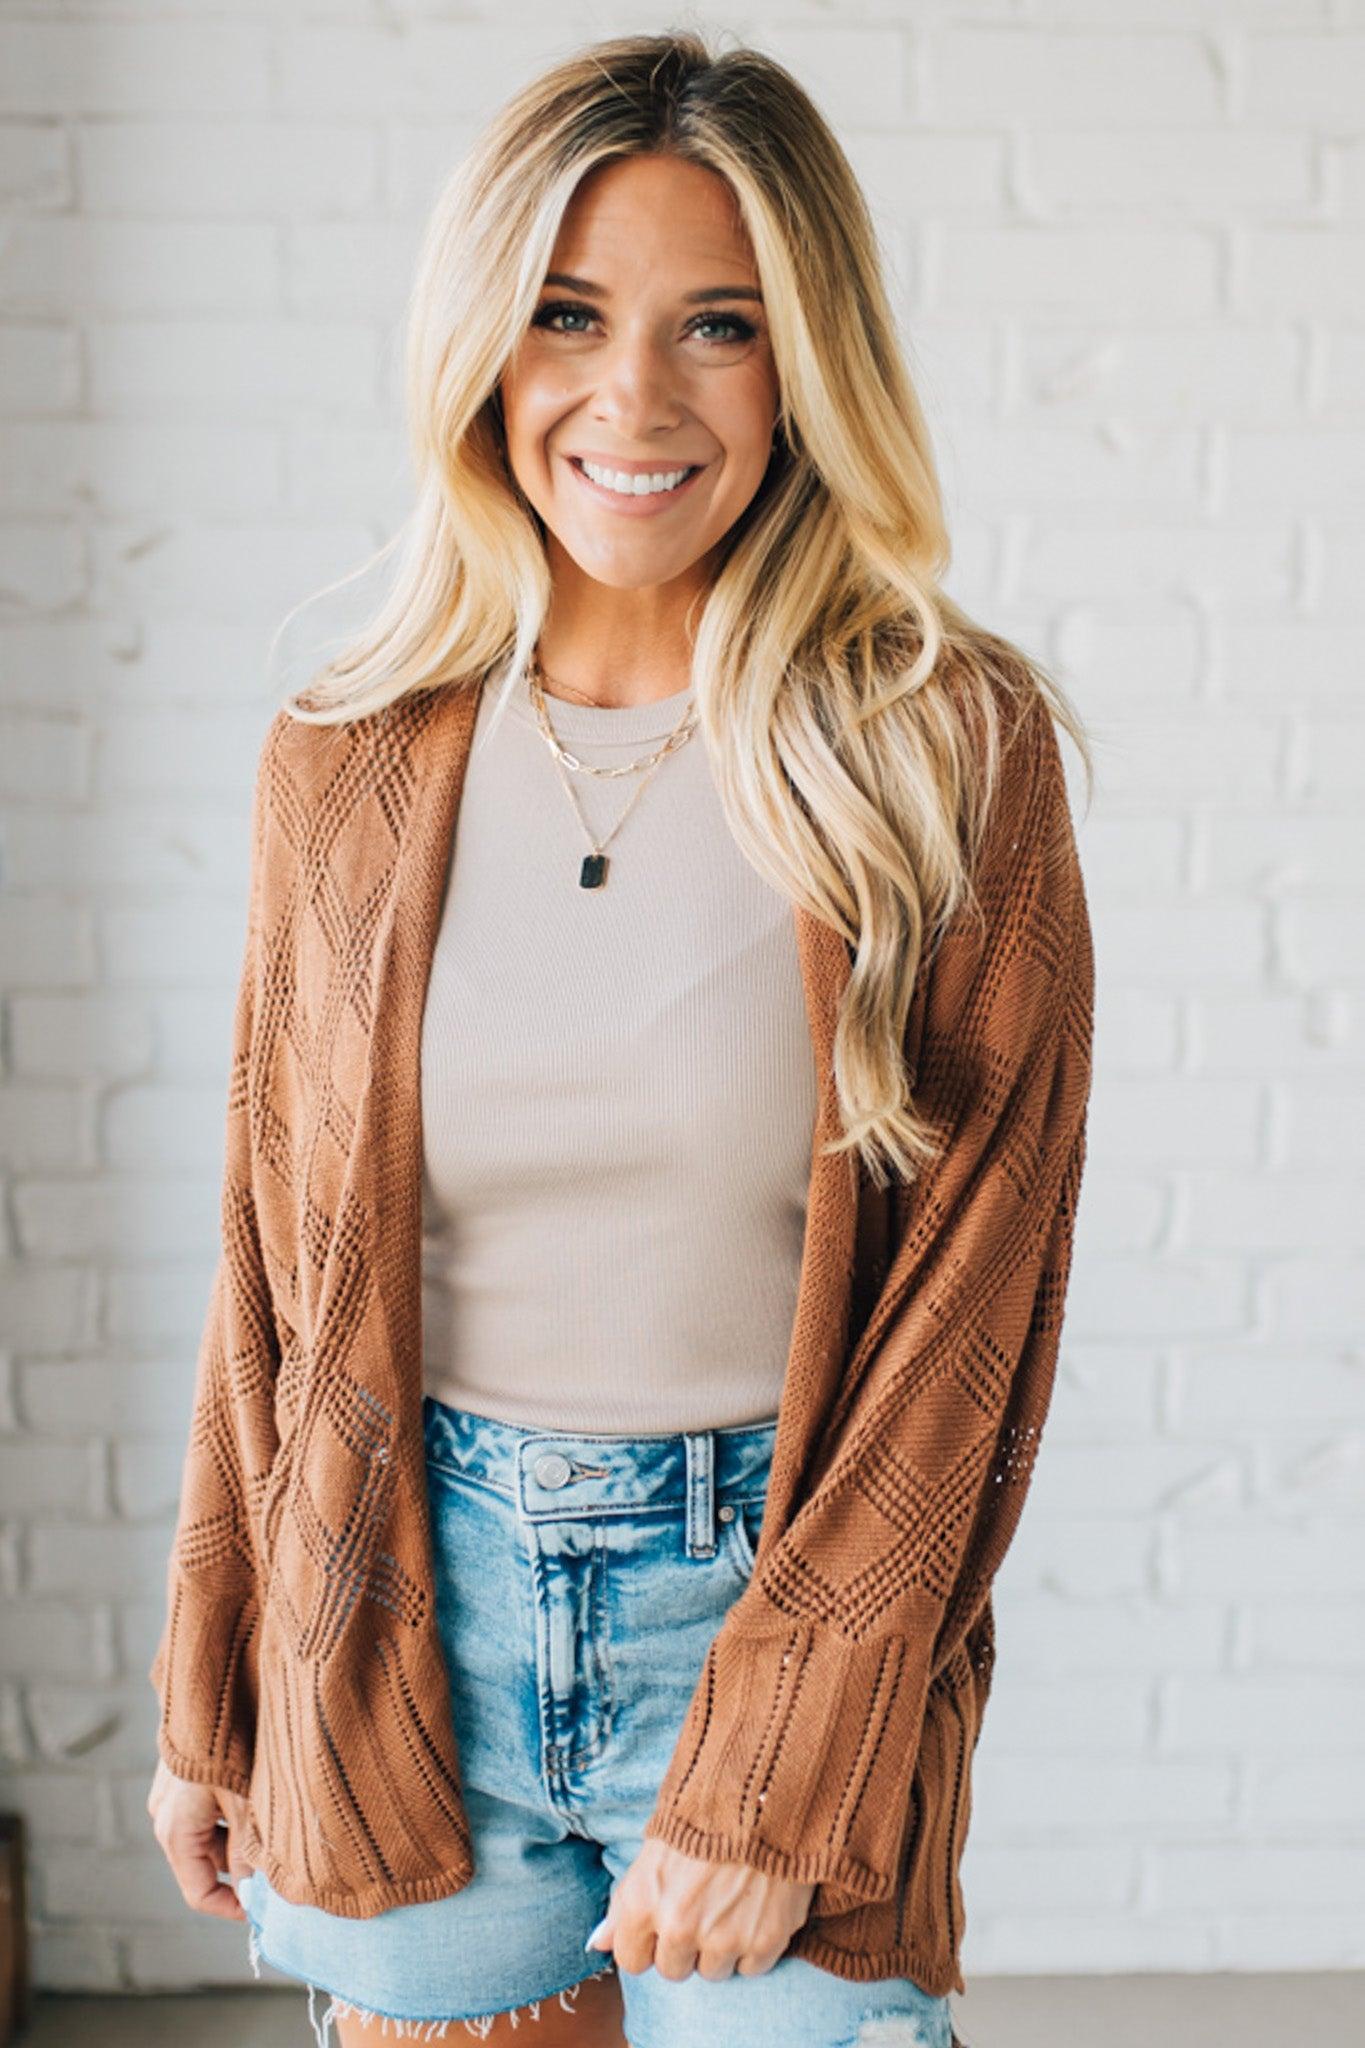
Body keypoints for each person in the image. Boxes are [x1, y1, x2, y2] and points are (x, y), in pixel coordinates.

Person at [146, 29, 1094, 2048]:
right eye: (567, 312)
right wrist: (215, 1688)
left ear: (805, 362)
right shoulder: (343, 762)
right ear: (484, 338)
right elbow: (271, 1281)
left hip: (764, 1595)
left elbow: (967, 1323)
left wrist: (781, 1763)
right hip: (404, 1623)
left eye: (717, 327)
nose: (630, 397)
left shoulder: (940, 753)